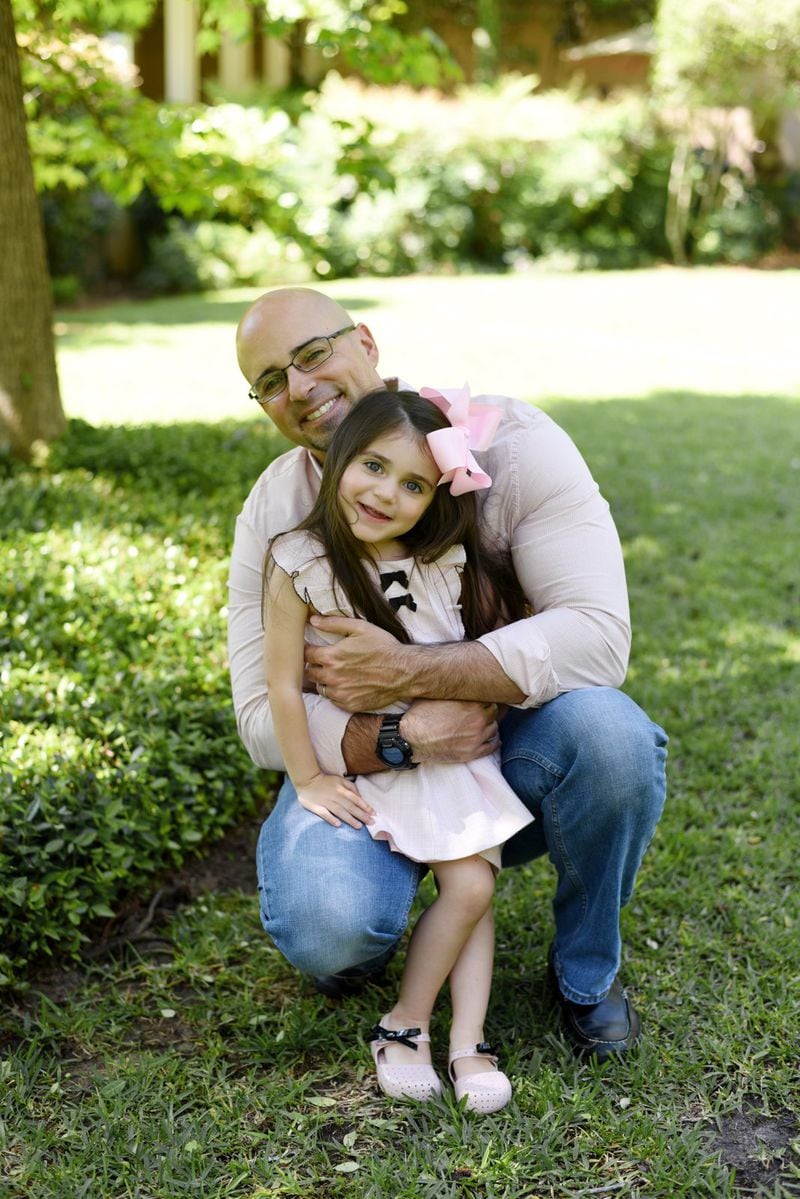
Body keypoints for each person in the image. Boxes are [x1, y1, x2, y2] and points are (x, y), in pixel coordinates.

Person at [229, 286, 668, 1062]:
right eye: (269, 380)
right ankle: (366, 931)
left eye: (312, 354)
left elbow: (598, 640)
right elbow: (262, 710)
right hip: (361, 764)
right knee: (329, 920)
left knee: (614, 740)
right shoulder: (277, 513)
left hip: (505, 743)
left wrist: (408, 667)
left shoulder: (513, 445)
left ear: (365, 341)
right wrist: (400, 734)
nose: (297, 387)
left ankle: (585, 973)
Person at [265, 386, 535, 1110]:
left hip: (458, 755)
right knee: (472, 886)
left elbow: (485, 648)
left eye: (414, 483)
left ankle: (466, 1039)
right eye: (374, 467)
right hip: (388, 761)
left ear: (434, 497)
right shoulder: (299, 562)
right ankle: (405, 1022)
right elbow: (283, 689)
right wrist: (309, 777)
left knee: (474, 889)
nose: (387, 493)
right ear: (340, 457)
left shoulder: (441, 557)